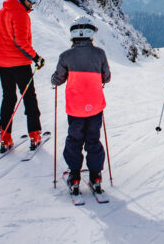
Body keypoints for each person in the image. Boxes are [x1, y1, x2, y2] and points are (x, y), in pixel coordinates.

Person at [51, 20, 111, 195]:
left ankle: (75, 176)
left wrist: (53, 80)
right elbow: (106, 77)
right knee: (93, 139)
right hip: (95, 106)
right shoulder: (100, 54)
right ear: (91, 34)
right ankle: (95, 177)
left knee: (75, 139)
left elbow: (58, 79)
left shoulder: (65, 56)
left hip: (75, 107)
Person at [0, 0, 46, 152]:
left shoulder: (3, 11)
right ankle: (34, 133)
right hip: (20, 64)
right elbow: (21, 42)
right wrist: (36, 58)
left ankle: (5, 136)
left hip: (2, 63)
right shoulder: (21, 15)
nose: (34, 4)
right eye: (33, 0)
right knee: (29, 97)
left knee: (8, 98)